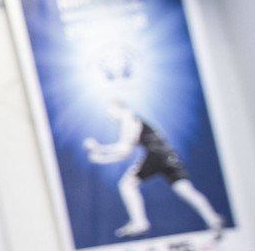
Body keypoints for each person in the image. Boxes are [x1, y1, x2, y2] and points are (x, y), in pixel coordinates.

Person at [84, 98, 225, 240]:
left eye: (110, 112)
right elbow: (123, 153)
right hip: (169, 155)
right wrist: (101, 156)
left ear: (117, 108)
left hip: (155, 155)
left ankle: (140, 222)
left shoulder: (129, 119)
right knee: (184, 189)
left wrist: (99, 150)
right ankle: (212, 218)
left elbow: (124, 151)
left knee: (127, 184)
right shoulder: (136, 120)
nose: (109, 116)